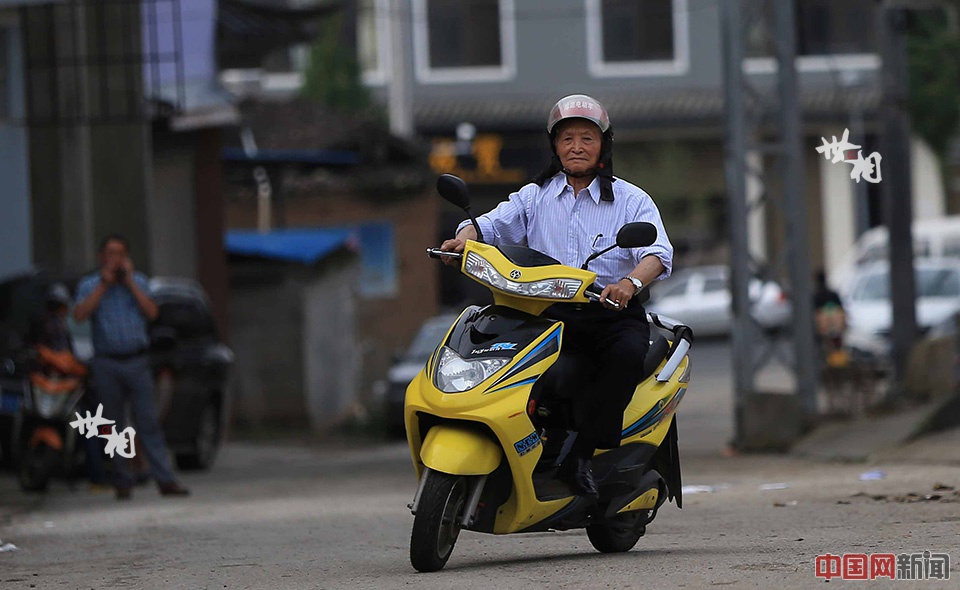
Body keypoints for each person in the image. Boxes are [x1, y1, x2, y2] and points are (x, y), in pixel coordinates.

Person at [440, 94, 673, 498]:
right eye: (567, 139)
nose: (577, 146)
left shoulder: (632, 199)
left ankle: (582, 456)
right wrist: (463, 239)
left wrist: (629, 284)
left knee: (623, 355)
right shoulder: (534, 197)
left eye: (587, 137)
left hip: (608, 314)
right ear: (555, 146)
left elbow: (657, 253)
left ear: (603, 145)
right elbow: (489, 226)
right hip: (542, 312)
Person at [73, 234, 189, 500]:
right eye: (111, 254)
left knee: (148, 421)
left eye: (121, 254)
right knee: (112, 426)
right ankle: (122, 480)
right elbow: (79, 315)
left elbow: (153, 313)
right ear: (103, 257)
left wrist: (130, 284)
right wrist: (104, 285)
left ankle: (165, 479)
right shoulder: (90, 285)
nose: (116, 259)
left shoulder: (139, 282)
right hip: (106, 362)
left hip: (137, 360)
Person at [28, 283, 109, 490]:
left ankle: (98, 474)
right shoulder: (44, 328)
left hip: (73, 388)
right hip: (49, 389)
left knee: (91, 422)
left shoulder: (75, 327)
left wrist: (82, 370)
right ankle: (97, 475)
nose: (58, 312)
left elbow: (78, 361)